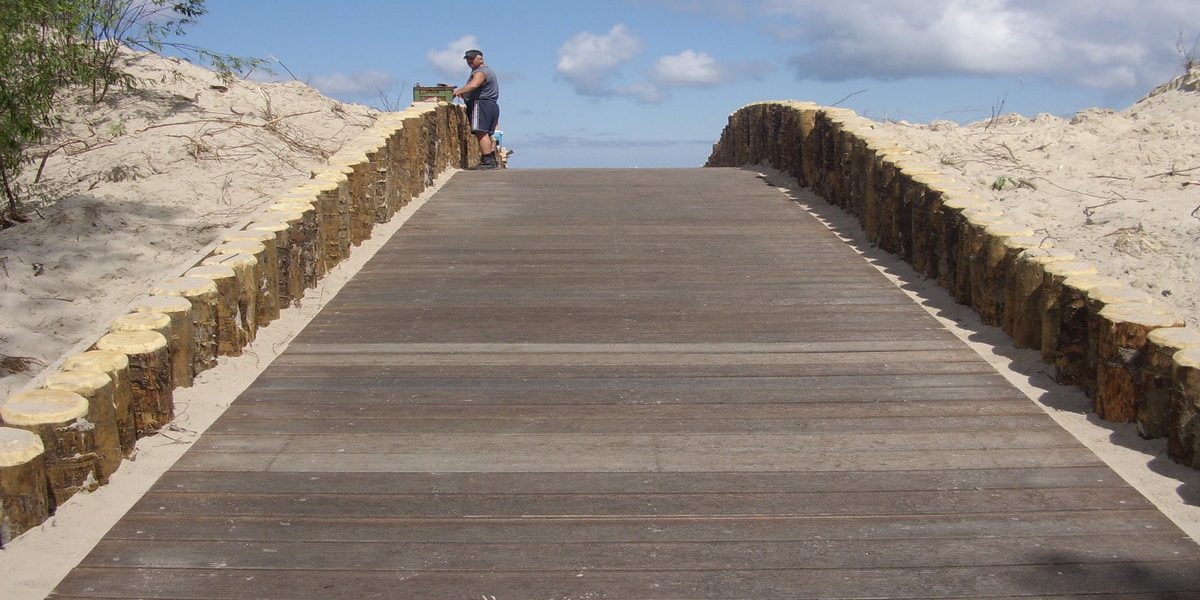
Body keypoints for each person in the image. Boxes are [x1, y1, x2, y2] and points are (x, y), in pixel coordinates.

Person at [453, 49, 501, 170]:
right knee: (488, 133)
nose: (469, 61)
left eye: (472, 59)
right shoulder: (488, 70)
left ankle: (487, 161)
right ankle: (492, 160)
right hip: (491, 105)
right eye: (468, 59)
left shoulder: (480, 72)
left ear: (480, 58)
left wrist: (458, 91)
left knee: (481, 132)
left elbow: (474, 84)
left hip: (481, 104)